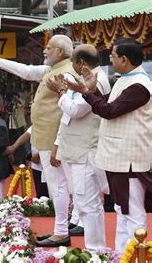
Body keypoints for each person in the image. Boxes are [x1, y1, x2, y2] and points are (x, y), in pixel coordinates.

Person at [0, 34, 77, 247]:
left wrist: (57, 143)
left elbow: (68, 114)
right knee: (59, 185)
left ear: (60, 52)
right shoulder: (52, 71)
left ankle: (62, 231)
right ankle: (62, 228)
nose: (44, 51)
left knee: (59, 186)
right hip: (45, 136)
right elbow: (27, 71)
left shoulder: (66, 74)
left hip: (52, 138)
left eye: (49, 48)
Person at [64, 38, 151, 253]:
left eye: (112, 55)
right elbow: (109, 105)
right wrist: (89, 90)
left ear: (124, 59)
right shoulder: (127, 79)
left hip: (129, 158)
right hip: (119, 157)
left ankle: (135, 255)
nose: (110, 59)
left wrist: (85, 92)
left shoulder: (140, 85)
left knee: (132, 211)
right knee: (123, 210)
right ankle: (123, 254)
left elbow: (110, 111)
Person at [46, 44, 110, 251]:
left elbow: (75, 110)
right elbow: (67, 118)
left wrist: (62, 92)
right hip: (74, 149)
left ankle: (95, 251)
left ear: (81, 62)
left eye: (72, 61)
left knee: (88, 205)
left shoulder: (97, 81)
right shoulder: (85, 79)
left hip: (85, 151)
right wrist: (58, 144)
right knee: (84, 204)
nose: (71, 66)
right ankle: (95, 250)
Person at [4, 126, 49, 198]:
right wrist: (14, 147)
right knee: (40, 193)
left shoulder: (50, 122)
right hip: (36, 166)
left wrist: (40, 154)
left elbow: (52, 141)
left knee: (48, 193)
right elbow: (27, 134)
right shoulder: (37, 121)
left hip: (47, 165)